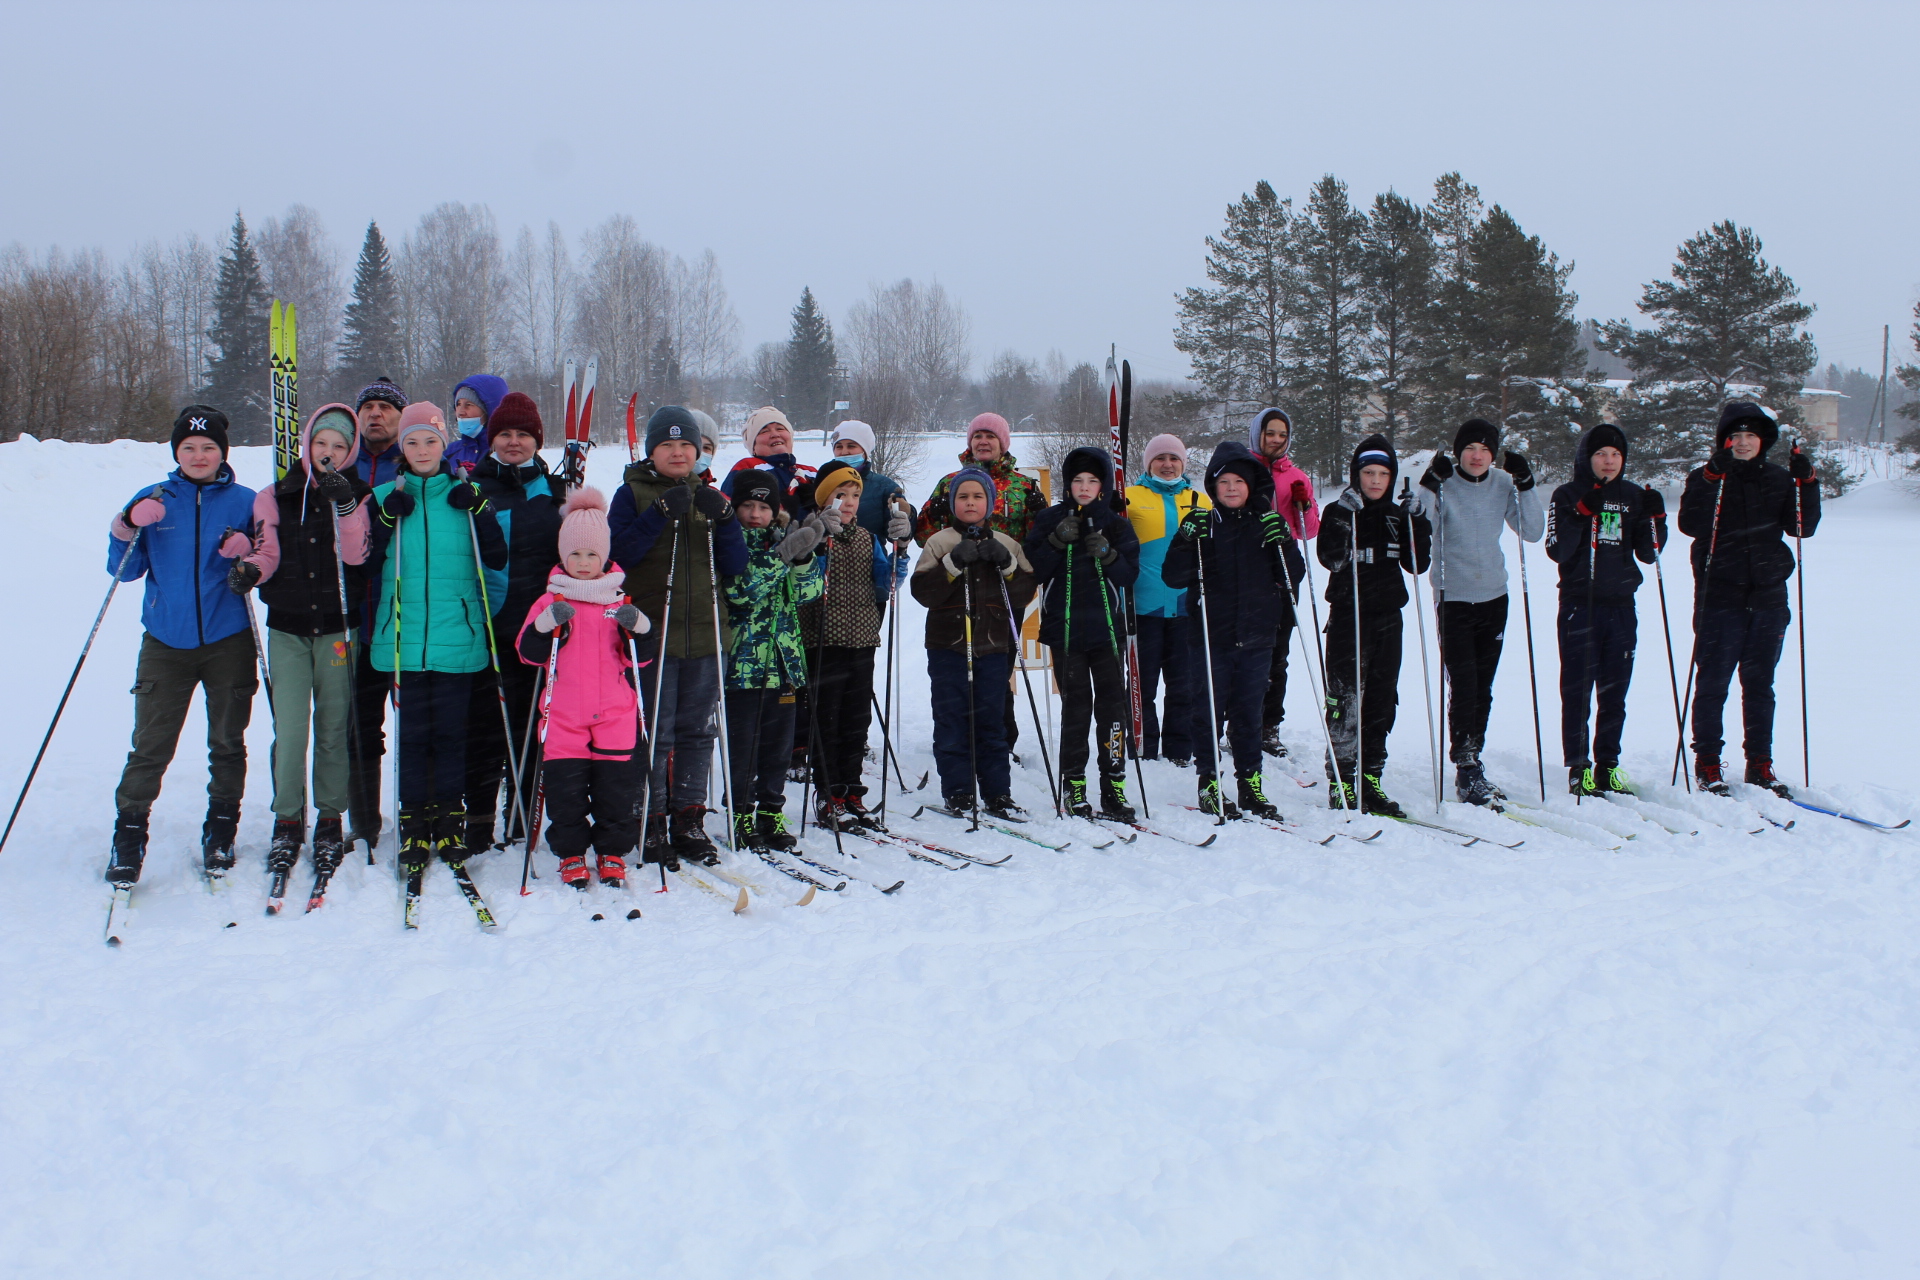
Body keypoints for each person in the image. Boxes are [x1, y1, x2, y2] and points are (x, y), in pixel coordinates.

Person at [103, 406, 263, 884]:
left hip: (227, 640)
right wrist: (127, 523)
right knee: (150, 745)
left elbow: (266, 561)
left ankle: (221, 830)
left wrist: (249, 554)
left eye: (208, 447)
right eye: (189, 447)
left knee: (227, 742)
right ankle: (128, 837)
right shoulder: (155, 498)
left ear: (222, 454)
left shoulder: (246, 501)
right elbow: (124, 569)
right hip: (165, 641)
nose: (198, 455)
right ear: (176, 452)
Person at [364, 403, 508, 867]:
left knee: (450, 737)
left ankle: (449, 820)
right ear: (400, 448)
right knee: (412, 737)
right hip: (403, 638)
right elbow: (364, 564)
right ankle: (412, 822)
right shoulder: (384, 494)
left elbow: (497, 556)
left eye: (430, 440)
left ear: (444, 444)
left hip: (457, 637)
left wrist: (481, 510)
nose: (422, 449)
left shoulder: (467, 492)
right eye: (412, 441)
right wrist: (386, 520)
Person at [232, 404, 373, 876]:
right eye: (321, 444)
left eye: (338, 446)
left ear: (349, 451)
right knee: (291, 731)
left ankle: (330, 819)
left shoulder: (358, 495)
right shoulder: (275, 495)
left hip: (337, 629)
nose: (328, 454)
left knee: (333, 729)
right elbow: (266, 551)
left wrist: (346, 505)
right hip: (288, 629)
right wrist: (251, 570)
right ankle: (287, 820)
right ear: (307, 445)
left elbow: (355, 556)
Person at [608, 406, 748, 868]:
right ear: (652, 450)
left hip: (706, 632)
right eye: (667, 445)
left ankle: (688, 817)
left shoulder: (707, 494)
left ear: (698, 451)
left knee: (697, 730)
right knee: (656, 731)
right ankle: (651, 816)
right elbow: (618, 557)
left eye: (686, 445)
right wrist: (659, 516)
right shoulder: (631, 493)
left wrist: (727, 520)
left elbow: (734, 565)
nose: (677, 452)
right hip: (654, 633)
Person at [1679, 401, 1820, 798]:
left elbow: (1802, 527)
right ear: (1724, 441)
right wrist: (1709, 478)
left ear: (1763, 441)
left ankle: (1760, 763)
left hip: (1768, 597)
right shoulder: (1709, 476)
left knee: (1760, 685)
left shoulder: (1779, 479)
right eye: (1735, 436)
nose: (1742, 443)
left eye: (1750, 436)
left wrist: (1807, 484)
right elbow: (1690, 523)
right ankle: (1707, 761)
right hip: (1720, 595)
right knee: (1714, 682)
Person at [515, 487, 649, 889]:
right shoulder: (550, 600)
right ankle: (571, 853)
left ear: (604, 556)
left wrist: (638, 628)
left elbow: (640, 660)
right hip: (564, 716)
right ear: (563, 556)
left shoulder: (618, 600)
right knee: (566, 793)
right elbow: (527, 653)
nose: (584, 562)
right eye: (575, 554)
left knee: (615, 793)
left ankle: (612, 852)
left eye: (592, 554)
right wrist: (544, 625)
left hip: (614, 714)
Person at [1162, 442, 1300, 820]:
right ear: (1213, 486)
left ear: (1252, 485)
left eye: (1240, 481)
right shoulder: (1205, 525)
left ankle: (1250, 785)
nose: (1233, 488)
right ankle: (1209, 783)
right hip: (1211, 637)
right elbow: (1173, 577)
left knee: (1248, 714)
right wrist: (1184, 538)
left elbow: (1293, 576)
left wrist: (1284, 542)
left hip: (1257, 636)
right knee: (1208, 712)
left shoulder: (1265, 524)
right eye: (1224, 482)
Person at [1412, 418, 1547, 804]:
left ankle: (1473, 757)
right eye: (1470, 448)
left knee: (1483, 685)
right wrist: (1428, 484)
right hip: (1453, 596)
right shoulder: (1445, 482)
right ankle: (1466, 765)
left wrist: (1527, 485)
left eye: (1485, 449)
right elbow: (1415, 525)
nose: (1477, 456)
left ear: (1493, 454)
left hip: (1493, 596)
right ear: (1459, 452)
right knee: (1464, 682)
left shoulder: (1503, 484)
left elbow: (1533, 530)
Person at [464, 391, 563, 854]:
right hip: (489, 625)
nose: (514, 442)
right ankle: (479, 816)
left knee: (529, 723)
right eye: (505, 433)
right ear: (492, 439)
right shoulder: (474, 489)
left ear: (537, 441)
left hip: (540, 629)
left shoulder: (553, 491)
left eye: (523, 434)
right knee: (485, 727)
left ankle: (522, 813)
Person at [913, 412, 1045, 753]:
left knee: (996, 670)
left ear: (1003, 443)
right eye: (977, 436)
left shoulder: (1023, 485)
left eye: (990, 436)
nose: (983, 442)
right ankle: (958, 738)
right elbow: (924, 537)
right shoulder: (949, 482)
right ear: (969, 442)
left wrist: (1041, 515)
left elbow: (1037, 545)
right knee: (955, 667)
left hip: (1003, 588)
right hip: (955, 587)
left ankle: (999, 740)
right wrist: (933, 512)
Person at [910, 467, 1036, 819]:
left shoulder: (1008, 544)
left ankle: (998, 793)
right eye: (963, 497)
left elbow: (1026, 590)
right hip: (948, 645)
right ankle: (959, 791)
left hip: (993, 646)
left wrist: (1008, 564)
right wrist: (952, 562)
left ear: (990, 503)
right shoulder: (940, 541)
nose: (970, 502)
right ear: (953, 503)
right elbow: (923, 592)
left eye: (977, 496)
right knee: (951, 720)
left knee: (991, 721)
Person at [1317, 435, 1432, 818]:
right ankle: (1341, 778)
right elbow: (1331, 560)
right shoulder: (1339, 509)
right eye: (1369, 473)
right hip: (1349, 616)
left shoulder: (1398, 515)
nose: (1376, 480)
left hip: (1387, 616)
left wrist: (1418, 522)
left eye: (1383, 473)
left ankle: (1370, 777)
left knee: (1381, 699)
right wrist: (1340, 521)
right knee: (1344, 699)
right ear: (1357, 475)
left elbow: (1417, 565)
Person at [1546, 424, 1663, 796]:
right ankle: (1578, 766)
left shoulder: (1631, 496)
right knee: (1577, 689)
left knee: (1615, 692)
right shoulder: (1566, 494)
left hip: (1621, 607)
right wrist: (1581, 513)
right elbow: (1556, 550)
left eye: (1615, 455)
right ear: (1587, 458)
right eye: (1600, 455)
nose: (1608, 462)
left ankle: (1607, 765)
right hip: (1580, 606)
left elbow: (1649, 552)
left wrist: (1656, 519)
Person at [1026, 447, 1143, 821]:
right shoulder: (1050, 519)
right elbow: (1034, 572)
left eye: (1093, 481)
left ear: (1104, 485)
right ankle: (1074, 785)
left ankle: (1114, 785)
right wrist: (1056, 542)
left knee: (1112, 709)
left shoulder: (1117, 523)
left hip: (1109, 632)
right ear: (1068, 484)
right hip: (1065, 630)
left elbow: (1129, 576)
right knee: (1076, 708)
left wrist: (1108, 554)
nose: (1085, 487)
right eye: (1077, 480)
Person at [800, 460, 912, 829]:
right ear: (824, 498)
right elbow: (801, 579)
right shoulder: (810, 531)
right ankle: (828, 793)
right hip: (824, 638)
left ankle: (851, 790)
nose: (848, 502)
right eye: (840, 494)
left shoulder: (866, 536)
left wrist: (900, 549)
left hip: (862, 636)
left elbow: (885, 582)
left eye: (855, 495)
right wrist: (817, 540)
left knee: (856, 720)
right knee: (827, 719)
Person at [722, 473, 826, 852]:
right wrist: (780, 557)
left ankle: (770, 812)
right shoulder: (728, 542)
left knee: (777, 749)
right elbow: (741, 591)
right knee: (744, 747)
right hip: (744, 667)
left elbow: (809, 592)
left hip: (783, 665)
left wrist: (803, 556)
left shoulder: (782, 539)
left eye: (764, 507)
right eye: (748, 505)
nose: (755, 514)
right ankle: (740, 813)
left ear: (775, 511)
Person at [346, 375, 408, 848]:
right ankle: (365, 821)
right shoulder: (340, 466)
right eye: (369, 406)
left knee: (415, 724)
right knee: (360, 725)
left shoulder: (411, 464)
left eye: (386, 407)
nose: (376, 414)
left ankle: (417, 813)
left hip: (403, 620)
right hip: (353, 623)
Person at [1125, 433, 1210, 767]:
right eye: (1160, 458)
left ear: (1183, 464)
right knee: (1141, 683)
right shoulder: (1130, 497)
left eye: (1174, 458)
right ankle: (1143, 746)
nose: (1167, 464)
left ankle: (1179, 749)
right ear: (1148, 463)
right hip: (1143, 606)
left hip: (1186, 607)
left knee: (1184, 685)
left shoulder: (1200, 501)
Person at [1247, 407, 1320, 757]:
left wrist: (1303, 504)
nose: (1276, 440)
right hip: (1246, 570)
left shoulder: (1297, 477)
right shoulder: (1241, 469)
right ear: (1257, 433)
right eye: (1270, 432)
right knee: (1242, 651)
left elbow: (1312, 528)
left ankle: (1269, 725)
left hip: (1284, 570)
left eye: (1282, 434)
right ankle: (1239, 721)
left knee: (1278, 655)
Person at [721, 406, 816, 520]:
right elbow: (728, 515)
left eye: (780, 428)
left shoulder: (811, 473)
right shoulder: (747, 468)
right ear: (753, 447)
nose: (775, 434)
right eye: (764, 431)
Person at [828, 420, 908, 546]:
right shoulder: (822, 483)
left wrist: (907, 519)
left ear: (865, 451)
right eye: (839, 446)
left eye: (851, 446)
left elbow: (897, 535)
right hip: (828, 560)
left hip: (870, 560)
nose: (844, 452)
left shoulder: (884, 487)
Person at [445, 374, 509, 475]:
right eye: (458, 404)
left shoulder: (508, 454)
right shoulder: (448, 453)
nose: (460, 412)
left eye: (468, 405)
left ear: (490, 411)